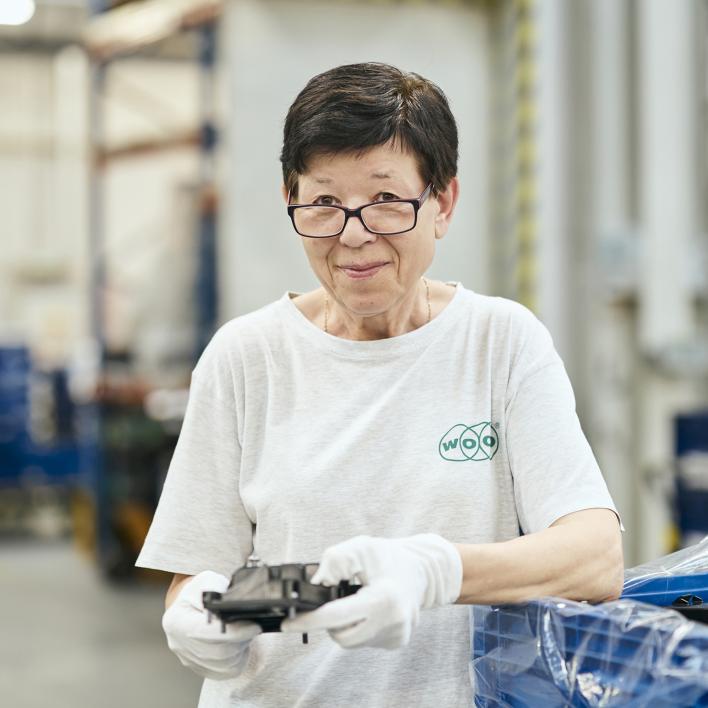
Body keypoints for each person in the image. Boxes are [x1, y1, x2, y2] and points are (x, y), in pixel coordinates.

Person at [136, 62, 623, 707]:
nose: (353, 236)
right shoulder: (244, 357)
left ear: (442, 202)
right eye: (324, 203)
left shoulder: (501, 343)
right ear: (292, 199)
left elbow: (595, 558)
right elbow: (198, 570)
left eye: (386, 201)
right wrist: (197, 612)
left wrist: (436, 569)